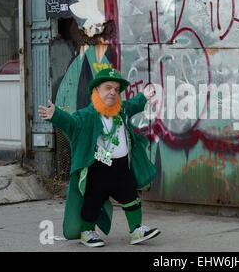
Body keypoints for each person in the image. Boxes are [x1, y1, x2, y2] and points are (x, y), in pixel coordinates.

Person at [38, 68, 159, 247]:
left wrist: (143, 95)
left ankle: (136, 230)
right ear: (96, 91)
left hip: (121, 168)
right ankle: (87, 232)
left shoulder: (121, 110)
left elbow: (133, 104)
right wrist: (56, 115)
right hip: (98, 168)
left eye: (116, 89)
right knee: (93, 201)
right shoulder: (86, 115)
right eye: (108, 88)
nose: (113, 92)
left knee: (131, 196)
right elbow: (71, 124)